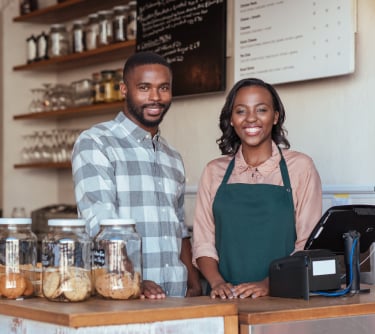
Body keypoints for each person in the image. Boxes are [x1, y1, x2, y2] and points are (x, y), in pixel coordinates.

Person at [72, 51, 202, 299]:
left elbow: (178, 227)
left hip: (177, 296)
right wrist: (132, 280)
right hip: (124, 294)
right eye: (144, 87)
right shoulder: (96, 142)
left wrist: (193, 282)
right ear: (124, 89)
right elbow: (101, 223)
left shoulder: (172, 156)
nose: (155, 97)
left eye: (163, 88)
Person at [192, 77, 322, 299]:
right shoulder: (214, 171)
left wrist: (270, 284)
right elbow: (203, 243)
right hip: (224, 299)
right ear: (231, 119)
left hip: (284, 297)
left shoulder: (300, 167)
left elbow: (308, 244)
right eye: (241, 111)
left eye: (261, 110)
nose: (251, 118)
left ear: (275, 117)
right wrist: (218, 283)